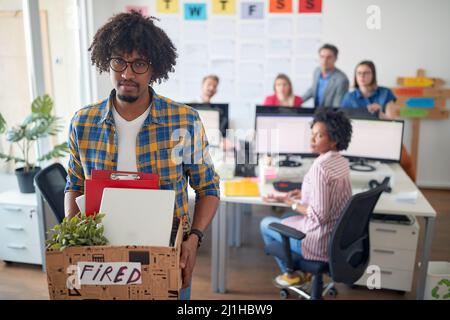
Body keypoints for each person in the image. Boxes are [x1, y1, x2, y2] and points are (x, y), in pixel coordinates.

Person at [63, 12, 220, 300]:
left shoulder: (184, 121)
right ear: (106, 62)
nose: (127, 74)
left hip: (164, 255)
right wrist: (72, 245)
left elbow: (208, 188)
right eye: (119, 62)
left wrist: (194, 239)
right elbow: (74, 185)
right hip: (102, 258)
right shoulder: (82, 123)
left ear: (154, 68)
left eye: (139, 64)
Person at [260, 108, 353, 286]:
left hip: (318, 243)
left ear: (334, 140)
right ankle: (305, 274)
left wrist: (291, 203)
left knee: (265, 224)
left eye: (318, 136)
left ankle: (293, 275)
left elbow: (319, 215)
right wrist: (305, 193)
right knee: (286, 219)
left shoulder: (320, 168)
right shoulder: (341, 161)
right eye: (312, 134)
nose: (311, 140)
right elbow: (332, 194)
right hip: (336, 238)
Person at [341, 60, 416, 181]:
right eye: (359, 73)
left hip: (384, 137)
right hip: (358, 138)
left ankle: (412, 188)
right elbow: (343, 122)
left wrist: (380, 113)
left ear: (373, 75)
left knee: (405, 160)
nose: (362, 76)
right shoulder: (349, 97)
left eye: (366, 73)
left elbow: (392, 121)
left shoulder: (385, 93)